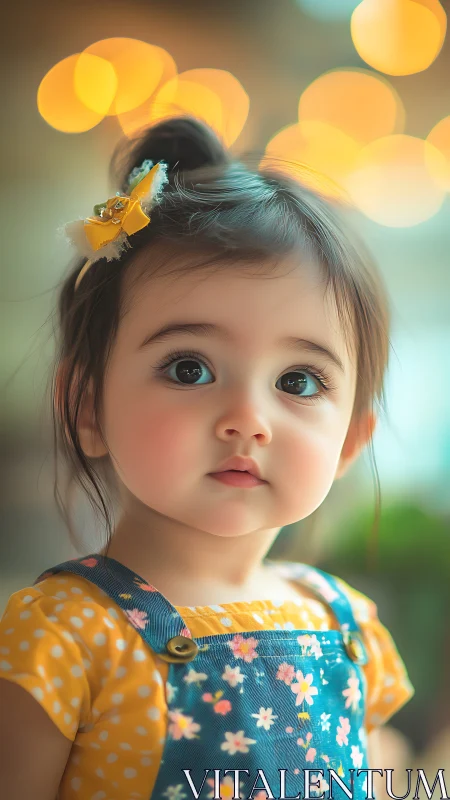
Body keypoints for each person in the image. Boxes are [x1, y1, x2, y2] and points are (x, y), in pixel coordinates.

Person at [0, 116, 414, 800]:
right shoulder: (64, 638)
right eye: (189, 368)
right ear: (85, 404)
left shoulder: (348, 627)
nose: (248, 420)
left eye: (298, 382)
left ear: (349, 440)